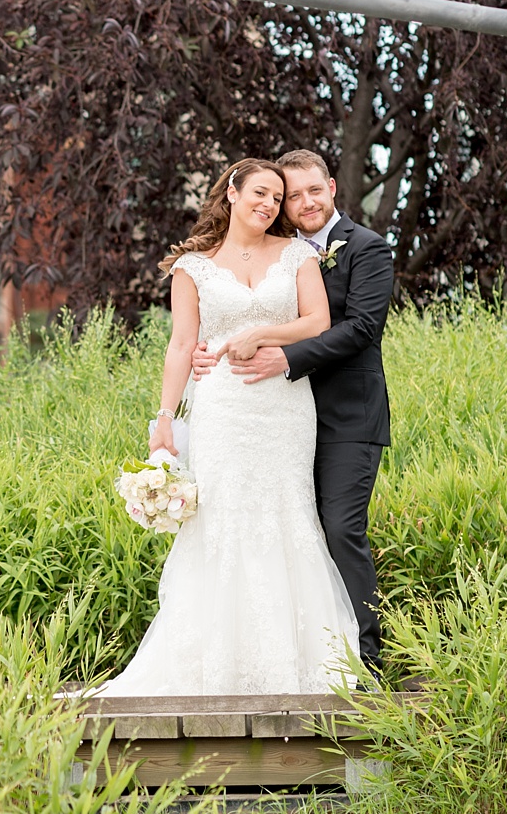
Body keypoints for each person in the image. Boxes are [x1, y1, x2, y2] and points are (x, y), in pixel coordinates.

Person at [94, 158, 359, 698]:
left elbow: (318, 322)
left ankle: (298, 662)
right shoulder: (193, 267)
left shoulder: (298, 255)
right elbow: (180, 345)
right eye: (260, 192)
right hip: (221, 409)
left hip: (284, 407)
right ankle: (213, 665)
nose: (269, 204)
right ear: (232, 193)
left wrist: (262, 333)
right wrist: (164, 419)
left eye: (276, 196)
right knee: (222, 518)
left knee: (287, 513)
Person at [192, 149, 393, 677]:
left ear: (332, 187)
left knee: (338, 527)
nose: (302, 203)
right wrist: (206, 349)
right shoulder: (274, 250)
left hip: (348, 416)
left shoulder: (368, 249)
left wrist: (287, 356)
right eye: (290, 194)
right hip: (276, 416)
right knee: (276, 524)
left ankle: (366, 663)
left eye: (312, 191)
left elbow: (362, 329)